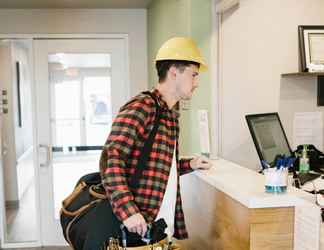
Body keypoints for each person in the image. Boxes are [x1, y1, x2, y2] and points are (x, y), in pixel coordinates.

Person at [100, 37, 212, 247]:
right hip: (135, 226)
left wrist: (189, 164)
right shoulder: (143, 106)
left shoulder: (169, 114)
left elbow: (157, 166)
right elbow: (111, 158)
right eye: (193, 75)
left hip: (157, 226)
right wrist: (128, 211)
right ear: (174, 72)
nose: (197, 83)